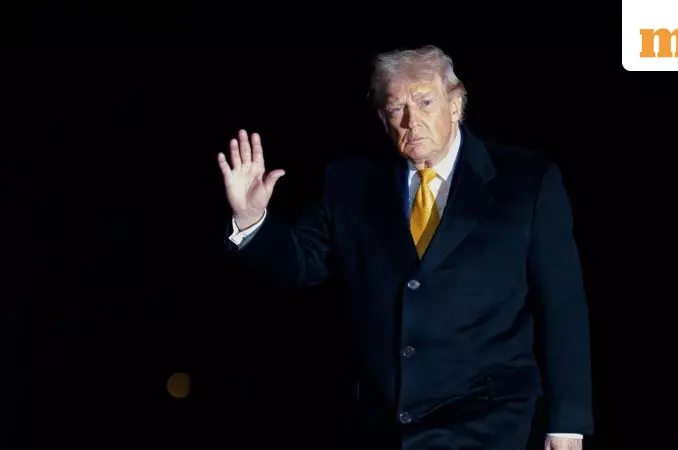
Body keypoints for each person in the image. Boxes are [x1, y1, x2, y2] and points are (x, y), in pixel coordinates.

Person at [217, 45, 593, 449]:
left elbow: (562, 305)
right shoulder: (349, 184)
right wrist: (252, 220)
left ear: (455, 104)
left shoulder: (526, 182)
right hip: (382, 425)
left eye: (425, 102)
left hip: (488, 421)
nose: (412, 121)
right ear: (383, 119)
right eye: (397, 108)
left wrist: (567, 423)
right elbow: (299, 265)